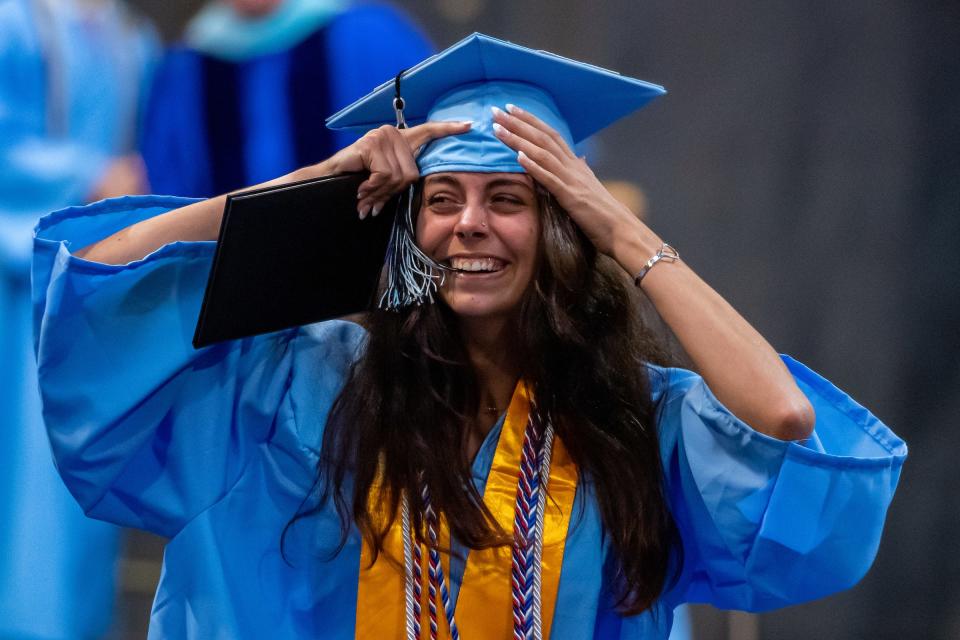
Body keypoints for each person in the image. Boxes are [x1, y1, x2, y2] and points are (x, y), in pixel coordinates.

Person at [32, 34, 906, 639]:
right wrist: (306, 188)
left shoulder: (635, 420)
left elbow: (787, 420)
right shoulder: (301, 387)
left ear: (561, 227)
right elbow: (101, 284)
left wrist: (620, 230)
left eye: (511, 201)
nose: (470, 226)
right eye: (442, 200)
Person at [0, 0, 158, 636]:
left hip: (91, 284)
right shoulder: (15, 22)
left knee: (69, 481)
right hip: (15, 282)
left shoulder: (132, 38)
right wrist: (85, 171)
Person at [141, 0, 433, 198]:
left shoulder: (370, 34)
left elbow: (425, 136)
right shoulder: (185, 64)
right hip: (223, 270)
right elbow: (167, 178)